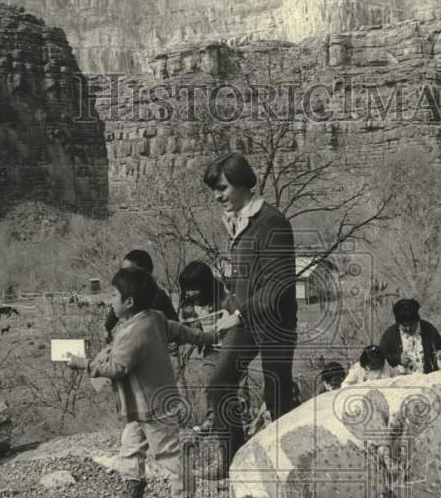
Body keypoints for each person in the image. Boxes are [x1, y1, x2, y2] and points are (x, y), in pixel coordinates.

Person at [66, 267, 216, 498]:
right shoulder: (154, 318)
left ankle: (183, 495)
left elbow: (118, 368)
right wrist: (205, 337)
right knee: (131, 446)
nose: (110, 300)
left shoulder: (134, 332)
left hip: (152, 405)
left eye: (114, 295)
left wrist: (83, 364)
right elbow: (178, 330)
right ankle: (131, 496)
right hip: (145, 404)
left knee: (167, 451)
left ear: (129, 302)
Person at [201, 153, 298, 479]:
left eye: (222, 188)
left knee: (277, 393)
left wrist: (239, 313)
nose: (217, 196)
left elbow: (278, 285)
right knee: (219, 385)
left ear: (243, 184)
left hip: (274, 322)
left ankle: (291, 467)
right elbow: (247, 279)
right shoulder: (239, 220)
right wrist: (228, 308)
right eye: (214, 190)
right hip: (246, 320)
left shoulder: (271, 222)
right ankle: (232, 462)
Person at [176, 260, 228, 433]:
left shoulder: (223, 298)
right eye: (187, 288)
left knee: (235, 384)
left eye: (195, 287)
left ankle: (242, 418)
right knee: (209, 382)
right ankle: (211, 419)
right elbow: (189, 332)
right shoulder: (189, 308)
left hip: (231, 348)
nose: (191, 293)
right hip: (210, 350)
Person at [104, 249, 178, 343]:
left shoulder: (158, 296)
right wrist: (108, 327)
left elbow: (174, 323)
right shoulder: (126, 293)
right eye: (123, 272)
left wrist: (173, 340)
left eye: (129, 272)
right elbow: (115, 310)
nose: (123, 276)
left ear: (145, 274)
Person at [378, 298, 441, 375]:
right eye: (404, 326)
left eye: (411, 325)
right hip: (402, 381)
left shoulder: (428, 329)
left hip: (428, 378)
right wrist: (397, 359)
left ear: (417, 320)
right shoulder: (390, 334)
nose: (408, 328)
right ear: (398, 323)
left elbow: (440, 347)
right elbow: (380, 357)